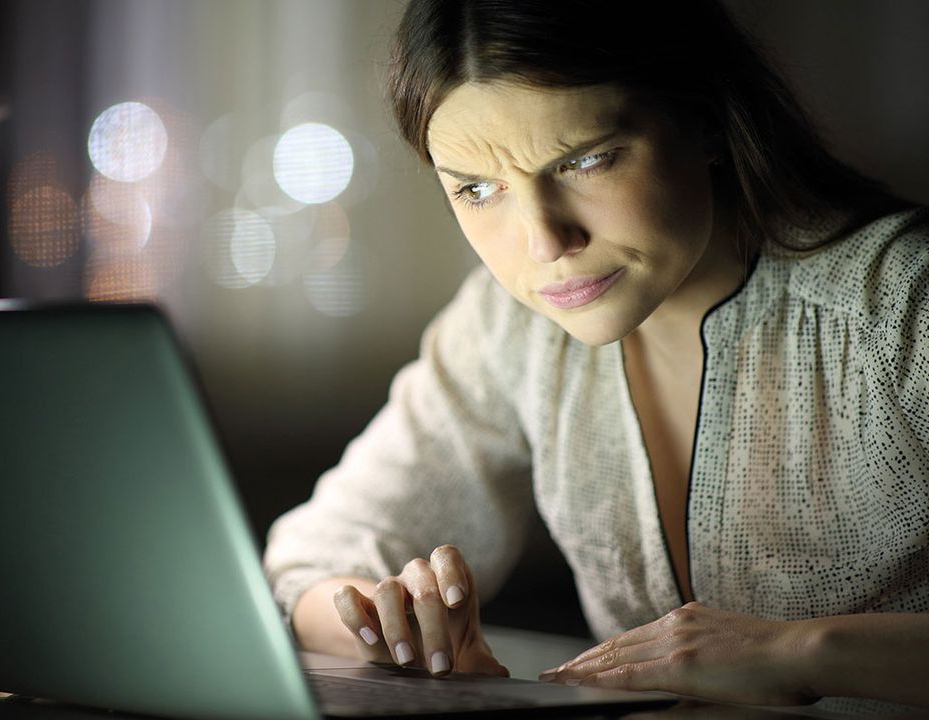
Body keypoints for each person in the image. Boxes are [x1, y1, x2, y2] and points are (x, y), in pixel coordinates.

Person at [262, 0, 929, 709]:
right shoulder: (509, 328)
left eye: (586, 160)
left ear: (703, 117)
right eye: (477, 190)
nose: (544, 242)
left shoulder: (902, 309)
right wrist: (383, 624)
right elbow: (315, 558)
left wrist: (802, 653)